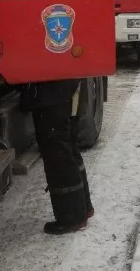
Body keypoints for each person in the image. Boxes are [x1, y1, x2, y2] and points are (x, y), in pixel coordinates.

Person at [22, 80, 94, 234]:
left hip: (50, 90)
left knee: (58, 150)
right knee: (68, 145)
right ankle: (83, 208)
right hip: (61, 84)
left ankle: (72, 218)